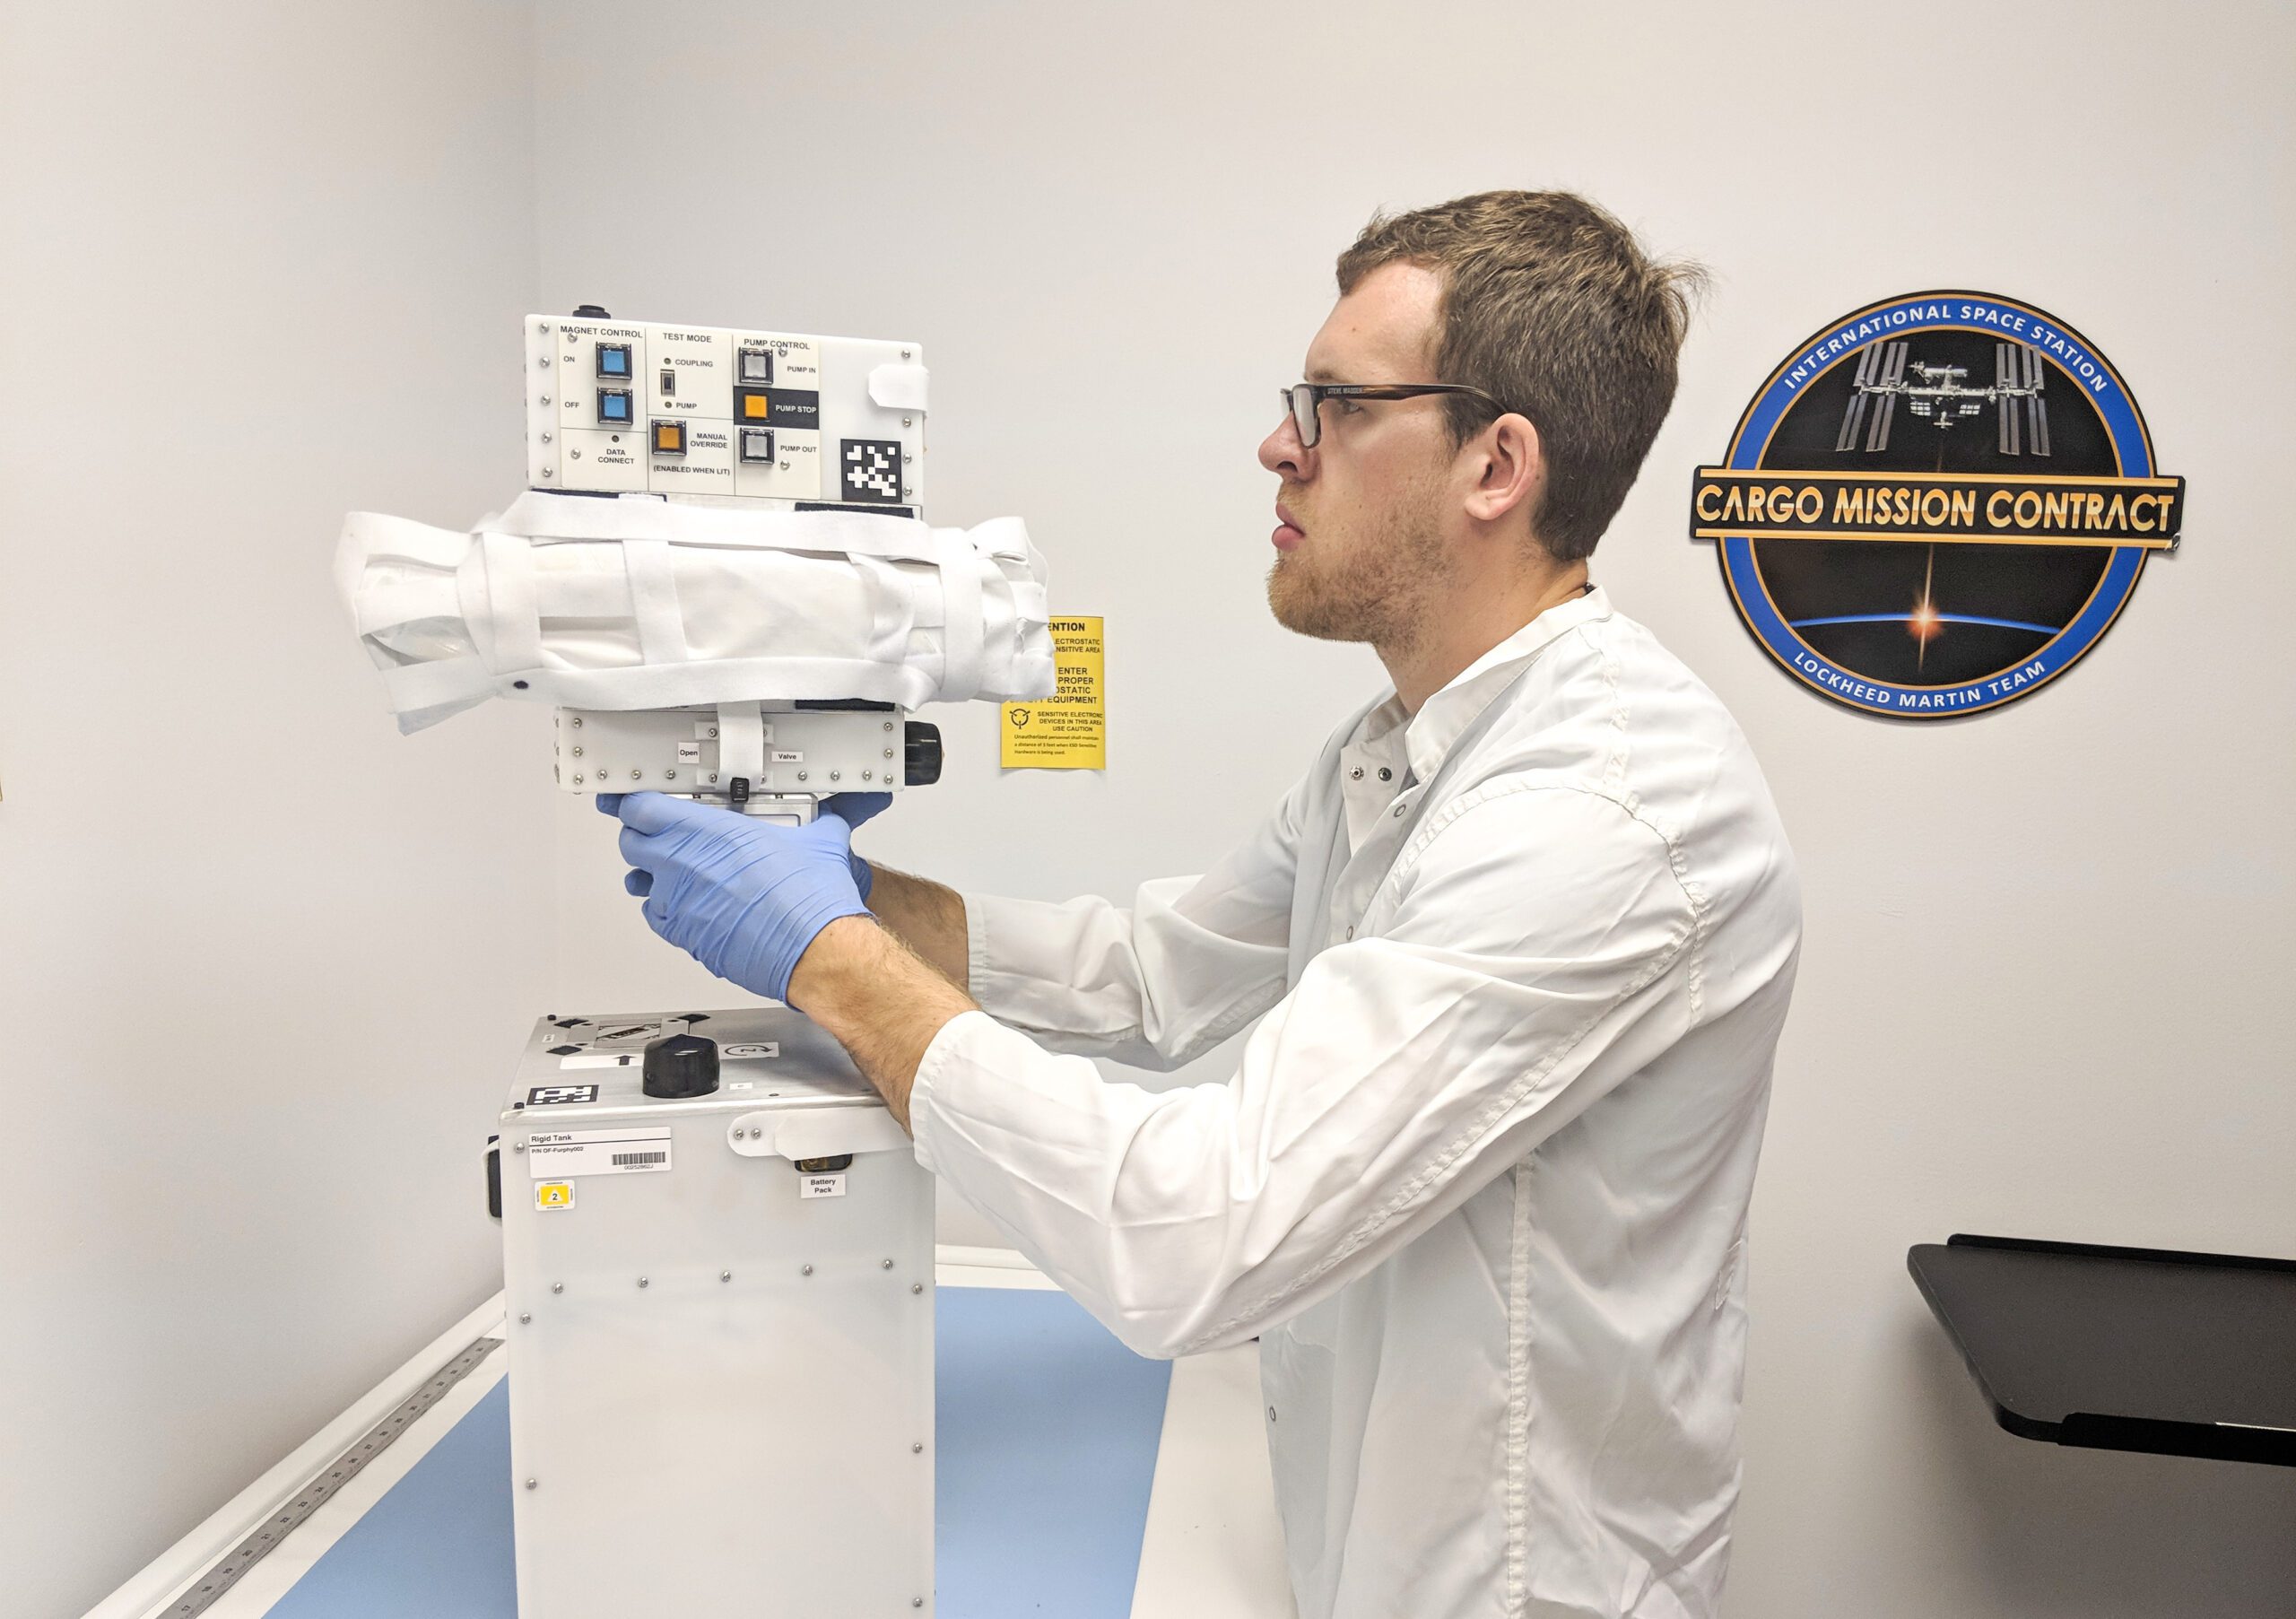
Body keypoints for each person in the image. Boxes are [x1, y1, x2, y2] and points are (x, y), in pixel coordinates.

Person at [603, 190, 1801, 1619]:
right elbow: (1151, 975)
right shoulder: (1397, 747)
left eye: (1338, 406)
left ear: (1497, 464)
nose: (1280, 445)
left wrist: (830, 956)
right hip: (1352, 1531)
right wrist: (851, 891)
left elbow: (1194, 1234)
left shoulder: (1604, 811)